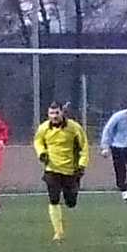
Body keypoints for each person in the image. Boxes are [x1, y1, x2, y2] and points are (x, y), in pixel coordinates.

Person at [33, 101, 89, 241]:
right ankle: (58, 232)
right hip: (52, 169)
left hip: (70, 170)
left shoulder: (74, 128)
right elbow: (38, 141)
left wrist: (82, 165)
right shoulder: (43, 128)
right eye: (51, 113)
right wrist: (42, 153)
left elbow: (84, 147)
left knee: (71, 202)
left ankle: (74, 190)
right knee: (54, 199)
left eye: (57, 113)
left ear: (62, 112)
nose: (54, 116)